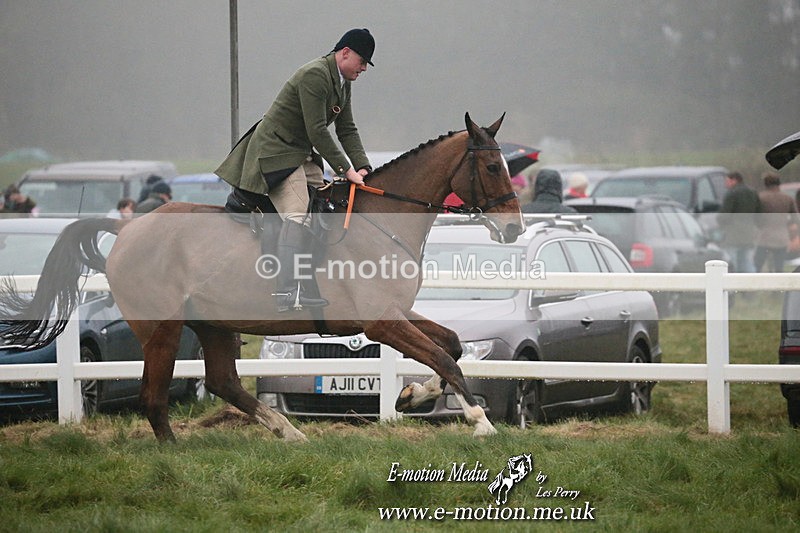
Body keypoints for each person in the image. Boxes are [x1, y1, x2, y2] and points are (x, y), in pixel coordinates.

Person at [215, 28, 375, 312]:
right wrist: (345, 169)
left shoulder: (342, 83)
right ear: (345, 52)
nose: (363, 68)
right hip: (276, 153)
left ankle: (312, 282)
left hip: (300, 154)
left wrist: (363, 167)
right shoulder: (315, 75)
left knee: (326, 204)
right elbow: (316, 131)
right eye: (362, 61)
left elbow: (347, 129)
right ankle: (287, 290)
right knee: (298, 213)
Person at [717, 171, 761, 273]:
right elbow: (759, 213)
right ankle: (751, 285)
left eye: (727, 181)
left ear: (734, 180)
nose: (725, 184)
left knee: (732, 262)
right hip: (749, 233)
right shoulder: (753, 192)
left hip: (733, 235)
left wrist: (721, 224)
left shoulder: (732, 193)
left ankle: (732, 287)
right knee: (746, 261)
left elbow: (724, 215)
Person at [755, 173, 799, 273]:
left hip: (764, 237)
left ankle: (757, 286)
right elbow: (795, 218)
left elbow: (756, 217)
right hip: (781, 237)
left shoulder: (761, 198)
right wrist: (789, 226)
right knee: (779, 266)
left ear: (765, 184)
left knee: (758, 264)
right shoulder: (787, 198)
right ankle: (779, 288)